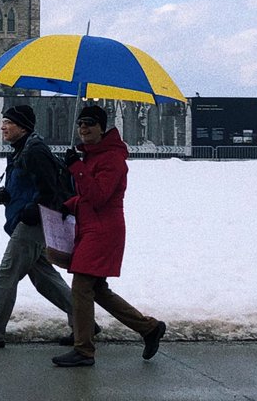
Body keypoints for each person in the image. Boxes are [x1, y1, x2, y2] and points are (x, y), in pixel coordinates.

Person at [52, 104, 166, 368]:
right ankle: (149, 328)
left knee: (81, 286)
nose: (84, 129)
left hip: (104, 231)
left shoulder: (112, 158)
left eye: (90, 124)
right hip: (91, 228)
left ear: (103, 128)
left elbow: (100, 196)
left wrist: (76, 168)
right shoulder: (92, 155)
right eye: (81, 124)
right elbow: (88, 196)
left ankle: (84, 350)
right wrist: (69, 204)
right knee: (98, 289)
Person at [0, 104, 75, 349]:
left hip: (32, 225)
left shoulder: (35, 151)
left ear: (23, 126)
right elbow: (24, 186)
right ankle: (83, 322)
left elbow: (49, 190)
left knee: (5, 276)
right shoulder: (20, 149)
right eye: (3, 121)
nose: (3, 126)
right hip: (24, 221)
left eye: (8, 122)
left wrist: (31, 212)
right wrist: (1, 197)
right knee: (45, 279)